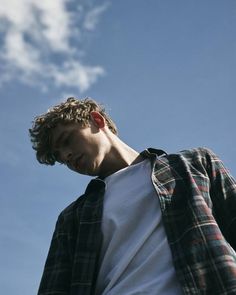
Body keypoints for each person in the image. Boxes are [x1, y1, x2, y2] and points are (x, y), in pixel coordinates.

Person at [29, 97, 236, 295]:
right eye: (60, 157)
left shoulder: (193, 164)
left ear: (97, 120)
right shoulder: (73, 217)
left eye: (67, 140)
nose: (66, 156)